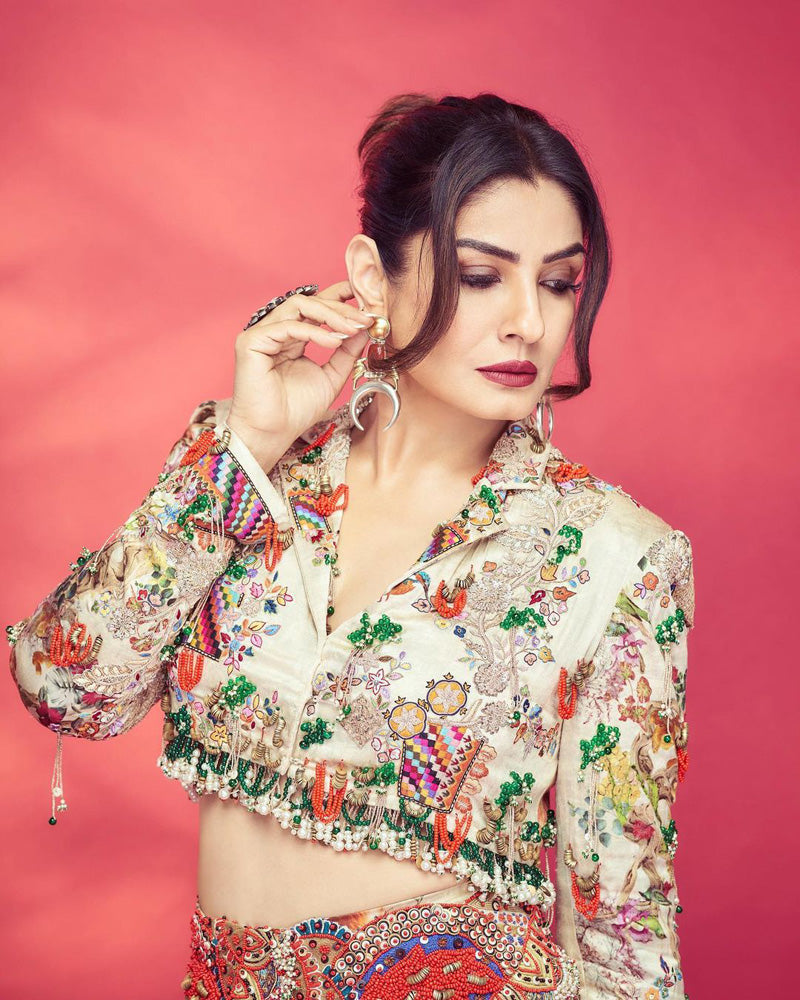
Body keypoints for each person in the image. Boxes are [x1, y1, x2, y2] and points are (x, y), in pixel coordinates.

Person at [7, 92, 695, 1000]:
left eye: (559, 282)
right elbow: (66, 690)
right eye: (481, 275)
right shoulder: (250, 475)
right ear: (372, 278)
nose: (529, 321)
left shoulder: (614, 557)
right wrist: (248, 445)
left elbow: (625, 937)